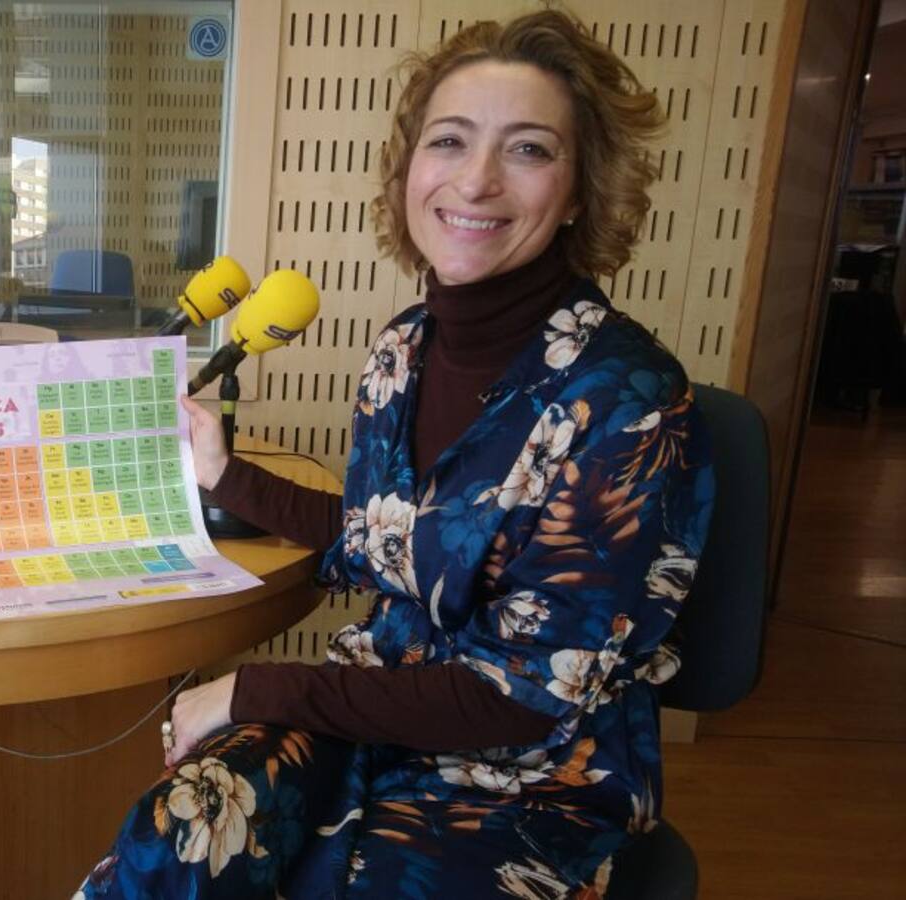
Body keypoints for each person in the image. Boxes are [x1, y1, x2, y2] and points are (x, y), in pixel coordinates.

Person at [74, 9, 713, 899]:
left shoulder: (632, 402)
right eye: (449, 140)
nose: (476, 180)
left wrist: (255, 689)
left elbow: (521, 696)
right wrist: (221, 474)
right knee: (173, 839)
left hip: (535, 770)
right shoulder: (402, 350)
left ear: (579, 190)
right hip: (372, 710)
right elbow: (386, 539)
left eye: (528, 149)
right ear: (410, 169)